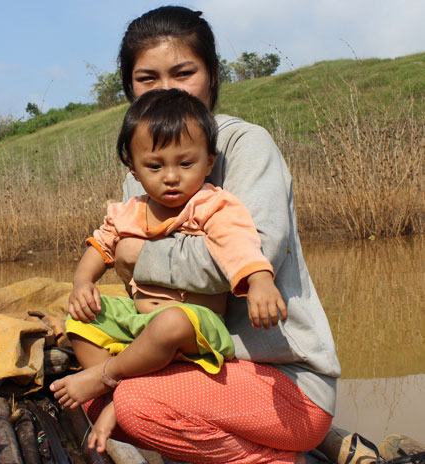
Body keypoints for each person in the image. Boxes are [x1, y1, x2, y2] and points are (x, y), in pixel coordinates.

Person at [67, 6, 340, 463]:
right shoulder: (142, 170)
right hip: (204, 367)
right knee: (87, 368)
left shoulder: (245, 145)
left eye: (183, 72)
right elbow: (123, 262)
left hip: (283, 379)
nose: (166, 89)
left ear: (212, 76)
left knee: (130, 403)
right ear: (128, 88)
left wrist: (137, 255)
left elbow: (252, 253)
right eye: (146, 78)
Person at [51, 87, 287, 452]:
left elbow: (239, 244)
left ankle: (109, 380)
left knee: (171, 322)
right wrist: (82, 282)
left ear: (209, 162)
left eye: (186, 163)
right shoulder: (129, 211)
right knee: (82, 319)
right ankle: (129, 387)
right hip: (140, 321)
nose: (172, 177)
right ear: (134, 168)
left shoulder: (213, 205)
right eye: (156, 166)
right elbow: (100, 244)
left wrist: (260, 281)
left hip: (196, 326)